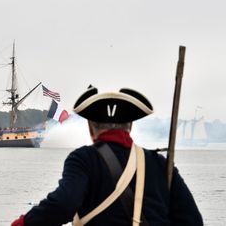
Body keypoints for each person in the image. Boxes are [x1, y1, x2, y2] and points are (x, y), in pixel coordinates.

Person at [11, 86, 203, 226]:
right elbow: (192, 221)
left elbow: (63, 205)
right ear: (131, 126)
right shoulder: (160, 164)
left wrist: (23, 223)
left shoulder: (83, 159)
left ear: (90, 128)